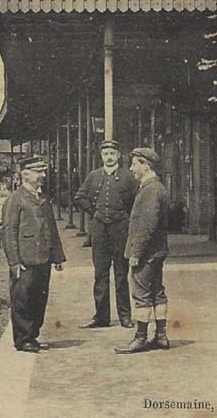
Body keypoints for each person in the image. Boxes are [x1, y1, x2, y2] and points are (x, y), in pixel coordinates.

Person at [2, 155, 66, 353]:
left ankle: (33, 336)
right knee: (23, 298)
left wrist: (57, 256)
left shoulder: (42, 197)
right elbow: (9, 230)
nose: (43, 175)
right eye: (39, 172)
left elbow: (51, 228)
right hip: (25, 259)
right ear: (25, 174)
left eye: (43, 171)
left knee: (39, 297)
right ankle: (23, 339)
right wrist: (14, 261)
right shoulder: (15, 199)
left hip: (43, 257)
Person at [74, 140, 138, 329]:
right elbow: (80, 196)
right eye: (105, 153)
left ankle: (125, 316)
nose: (109, 157)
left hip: (121, 230)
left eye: (112, 153)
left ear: (119, 155)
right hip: (100, 231)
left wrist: (125, 217)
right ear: (101, 156)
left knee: (121, 273)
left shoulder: (128, 177)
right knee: (100, 274)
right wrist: (95, 213)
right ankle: (101, 317)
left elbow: (137, 201)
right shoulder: (94, 176)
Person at [116, 148, 171, 354]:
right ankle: (161, 335)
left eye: (134, 164)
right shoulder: (157, 188)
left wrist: (136, 253)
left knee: (141, 294)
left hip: (146, 253)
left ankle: (140, 338)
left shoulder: (149, 190)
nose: (131, 169)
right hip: (157, 251)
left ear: (145, 165)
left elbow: (146, 225)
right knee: (158, 293)